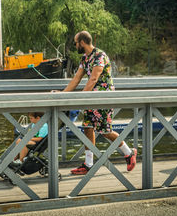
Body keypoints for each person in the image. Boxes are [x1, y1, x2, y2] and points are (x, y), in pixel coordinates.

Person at [53, 31, 137, 175]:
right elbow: (76, 79)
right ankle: (88, 164)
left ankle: (129, 153)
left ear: (82, 42)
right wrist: (62, 93)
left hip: (103, 98)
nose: (75, 45)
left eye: (75, 43)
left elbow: (93, 79)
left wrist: (81, 97)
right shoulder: (85, 58)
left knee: (105, 131)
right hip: (91, 98)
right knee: (87, 128)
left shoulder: (100, 56)